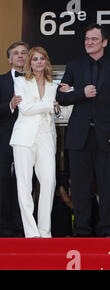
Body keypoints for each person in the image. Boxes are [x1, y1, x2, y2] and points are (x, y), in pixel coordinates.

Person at [56, 23, 110, 237]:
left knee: (107, 185)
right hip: (79, 135)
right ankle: (81, 232)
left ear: (104, 42)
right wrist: (81, 92)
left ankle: (106, 231)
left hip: (108, 136)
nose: (89, 42)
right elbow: (61, 97)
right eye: (87, 39)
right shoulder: (74, 65)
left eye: (94, 39)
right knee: (80, 188)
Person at [9, 46, 59, 238]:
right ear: (30, 62)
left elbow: (58, 112)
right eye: (35, 59)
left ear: (46, 61)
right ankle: (32, 234)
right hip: (24, 138)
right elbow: (26, 109)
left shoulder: (53, 85)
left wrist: (57, 105)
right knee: (25, 186)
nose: (39, 62)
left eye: (42, 58)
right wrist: (50, 105)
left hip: (46, 137)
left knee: (49, 182)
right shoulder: (21, 82)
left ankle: (45, 232)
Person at [0, 41, 29, 237]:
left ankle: (23, 227)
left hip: (28, 141)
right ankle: (4, 229)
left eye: (24, 53)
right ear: (9, 59)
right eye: (16, 53)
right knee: (3, 182)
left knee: (25, 183)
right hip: (4, 141)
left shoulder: (37, 80)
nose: (20, 56)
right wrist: (9, 105)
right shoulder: (0, 81)